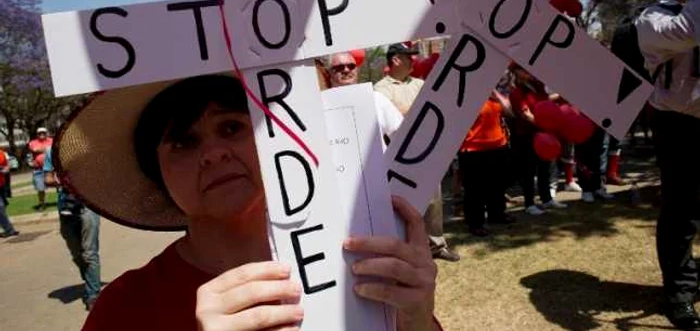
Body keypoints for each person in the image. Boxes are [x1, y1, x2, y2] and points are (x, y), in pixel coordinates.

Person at [53, 74, 441, 330]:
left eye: (231, 127)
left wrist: (418, 318)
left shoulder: (361, 265)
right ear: (157, 173)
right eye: (184, 142)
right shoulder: (123, 310)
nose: (213, 153)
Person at [636, 0, 700, 330]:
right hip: (680, 126)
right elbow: (693, 30)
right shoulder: (652, 19)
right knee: (681, 212)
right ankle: (680, 294)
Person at [375, 43, 460, 262]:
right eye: (408, 57)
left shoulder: (421, 83)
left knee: (434, 202)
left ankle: (436, 246)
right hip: (398, 157)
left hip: (427, 151)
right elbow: (396, 118)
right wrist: (421, 111)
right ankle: (409, 249)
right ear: (395, 60)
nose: (413, 60)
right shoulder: (380, 90)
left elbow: (436, 109)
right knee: (403, 205)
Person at [44, 147, 101, 310]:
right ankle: (91, 278)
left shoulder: (87, 149)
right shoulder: (52, 152)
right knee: (76, 252)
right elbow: (47, 179)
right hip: (66, 206)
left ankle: (93, 294)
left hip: (88, 206)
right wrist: (61, 180)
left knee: (89, 252)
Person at [508, 66, 567, 215]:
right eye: (522, 69)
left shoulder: (537, 85)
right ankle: (529, 203)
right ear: (515, 72)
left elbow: (546, 101)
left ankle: (546, 199)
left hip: (543, 133)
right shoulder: (516, 92)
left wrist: (559, 97)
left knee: (544, 167)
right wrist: (543, 123)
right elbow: (525, 114)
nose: (527, 71)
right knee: (529, 170)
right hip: (527, 135)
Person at [458, 90, 516, 237]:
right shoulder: (465, 95)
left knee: (497, 184)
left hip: (498, 145)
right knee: (475, 189)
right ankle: (475, 223)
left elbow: (509, 111)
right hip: (473, 148)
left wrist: (496, 94)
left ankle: (497, 214)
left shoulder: (493, 95)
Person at [327, 51, 403, 145]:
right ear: (329, 72)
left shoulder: (376, 99)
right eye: (339, 67)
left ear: (357, 70)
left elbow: (401, 134)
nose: (346, 70)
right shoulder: (322, 104)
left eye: (351, 66)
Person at [28, 127, 53, 210]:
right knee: (40, 188)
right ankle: (42, 204)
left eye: (43, 133)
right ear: (37, 134)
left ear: (46, 133)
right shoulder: (33, 142)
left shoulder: (51, 140)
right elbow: (35, 149)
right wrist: (48, 149)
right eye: (40, 133)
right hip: (39, 169)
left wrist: (43, 149)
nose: (42, 134)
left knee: (60, 186)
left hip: (52, 168)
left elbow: (55, 148)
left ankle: (65, 202)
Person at [0, 149, 19, 238]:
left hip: (1, 184)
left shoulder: (2, 153)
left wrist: (6, 169)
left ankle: (8, 229)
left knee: (3, 205)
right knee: (0, 207)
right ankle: (9, 230)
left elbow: (8, 165)